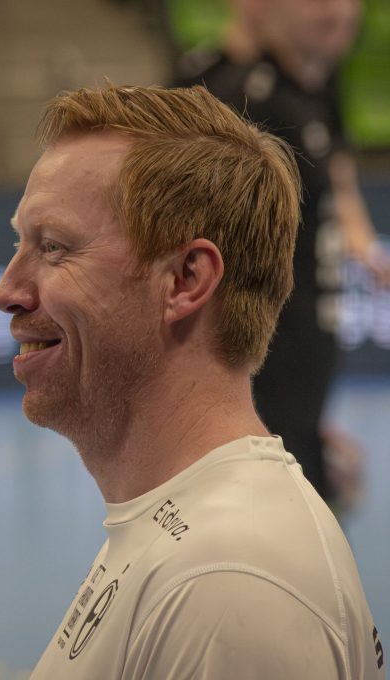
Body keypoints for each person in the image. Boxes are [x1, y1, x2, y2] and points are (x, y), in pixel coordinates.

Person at [0, 83, 385, 678]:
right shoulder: (189, 537)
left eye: (53, 247)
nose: (6, 292)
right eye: (21, 242)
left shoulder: (230, 582)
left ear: (185, 280)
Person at [176, 0, 390, 507]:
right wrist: (249, 422)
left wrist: (309, 426)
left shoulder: (315, 87)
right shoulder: (234, 95)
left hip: (298, 386)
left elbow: (336, 176)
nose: (338, 11)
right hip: (258, 390)